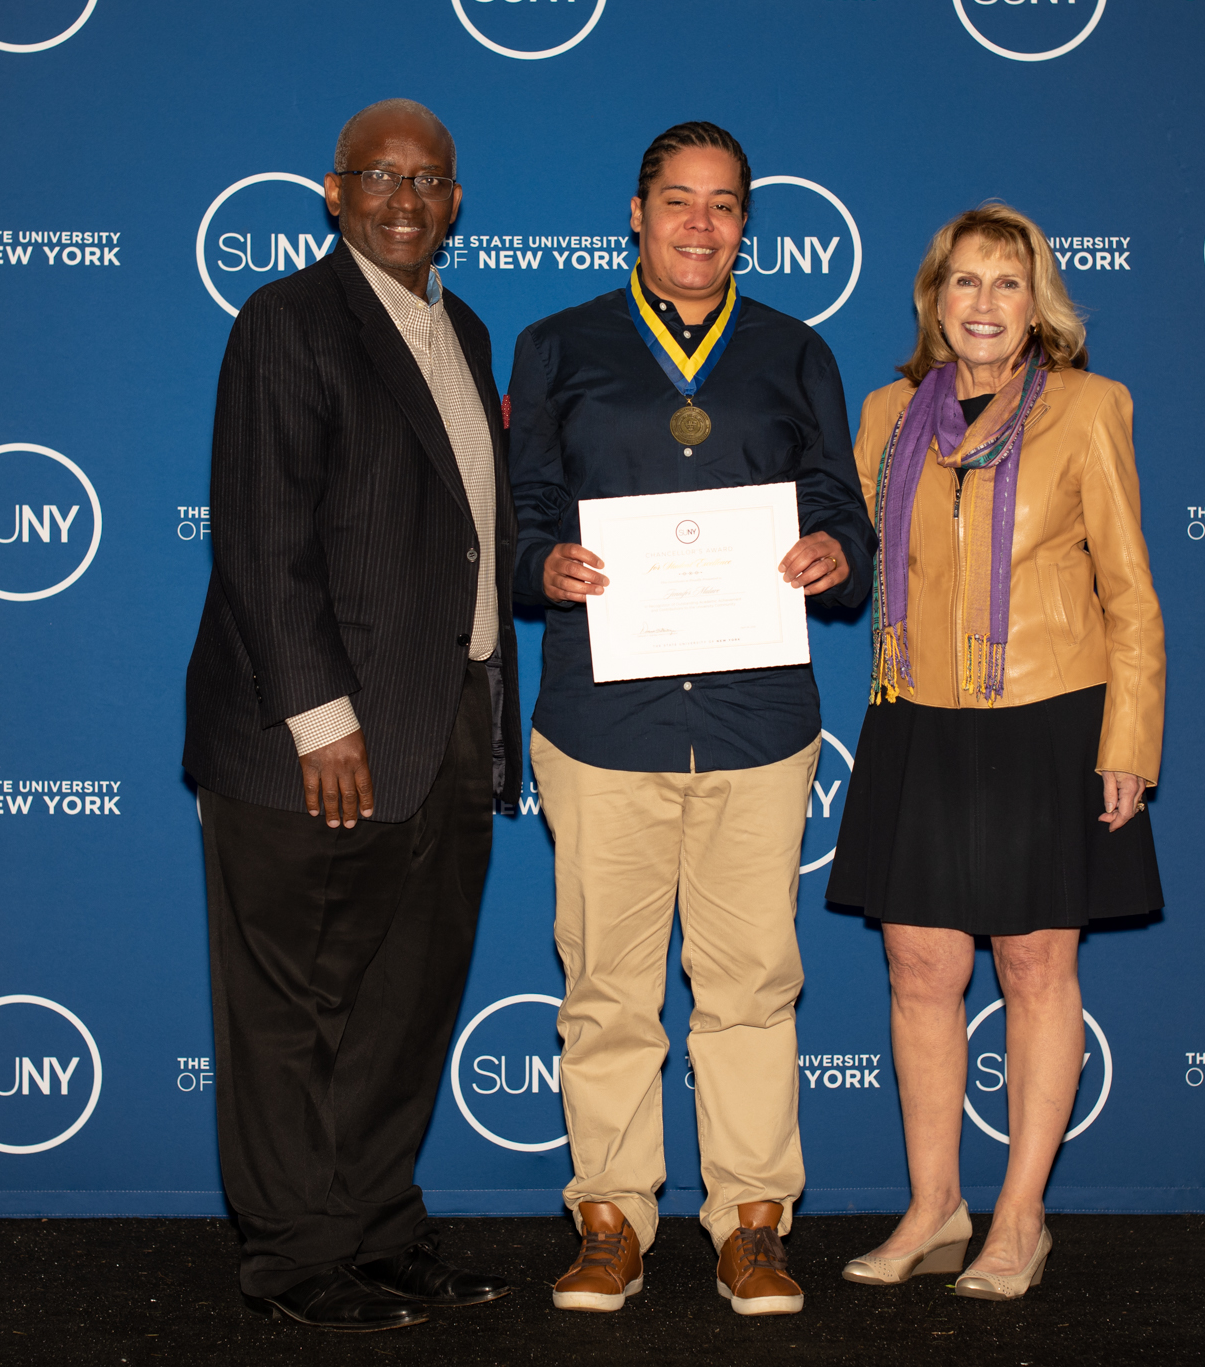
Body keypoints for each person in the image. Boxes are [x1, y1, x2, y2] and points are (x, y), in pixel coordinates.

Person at [509, 121, 874, 1318]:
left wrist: (835, 553)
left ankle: (752, 1224)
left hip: (757, 718)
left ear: (744, 226)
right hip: (601, 718)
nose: (699, 226)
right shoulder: (557, 345)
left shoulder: (792, 350)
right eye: (678, 201)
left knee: (750, 983)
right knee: (606, 985)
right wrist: (542, 564)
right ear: (635, 211)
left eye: (723, 206)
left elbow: (842, 513)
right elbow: (517, 519)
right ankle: (609, 1217)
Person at [182, 97, 521, 1333]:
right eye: (376, 176)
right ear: (332, 194)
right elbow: (263, 537)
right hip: (314, 741)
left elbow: (471, 540)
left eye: (425, 180)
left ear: (454, 204)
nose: (401, 199)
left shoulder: (465, 330)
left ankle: (377, 1220)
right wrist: (321, 717)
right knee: (294, 1004)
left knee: (405, 995)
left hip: (448, 725)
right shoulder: (288, 322)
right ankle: (293, 1246)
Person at [827, 203, 1164, 1301]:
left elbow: (1129, 592)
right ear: (933, 299)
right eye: (962, 282)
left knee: (1032, 965)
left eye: (1004, 284)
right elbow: (854, 559)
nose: (981, 302)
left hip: (1047, 715)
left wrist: (1129, 740)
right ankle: (934, 1204)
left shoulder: (1087, 407)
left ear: (1037, 304)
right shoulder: (885, 414)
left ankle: (1019, 1213)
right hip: (916, 712)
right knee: (919, 966)